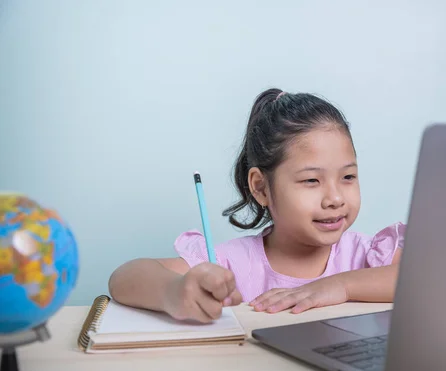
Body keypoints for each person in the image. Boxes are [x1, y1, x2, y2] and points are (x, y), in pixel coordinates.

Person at [108, 88, 405, 323]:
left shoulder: (366, 258)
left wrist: (341, 286)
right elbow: (123, 278)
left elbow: (430, 282)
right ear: (261, 187)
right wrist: (173, 293)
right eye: (312, 181)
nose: (335, 198)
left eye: (348, 176)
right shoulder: (228, 265)